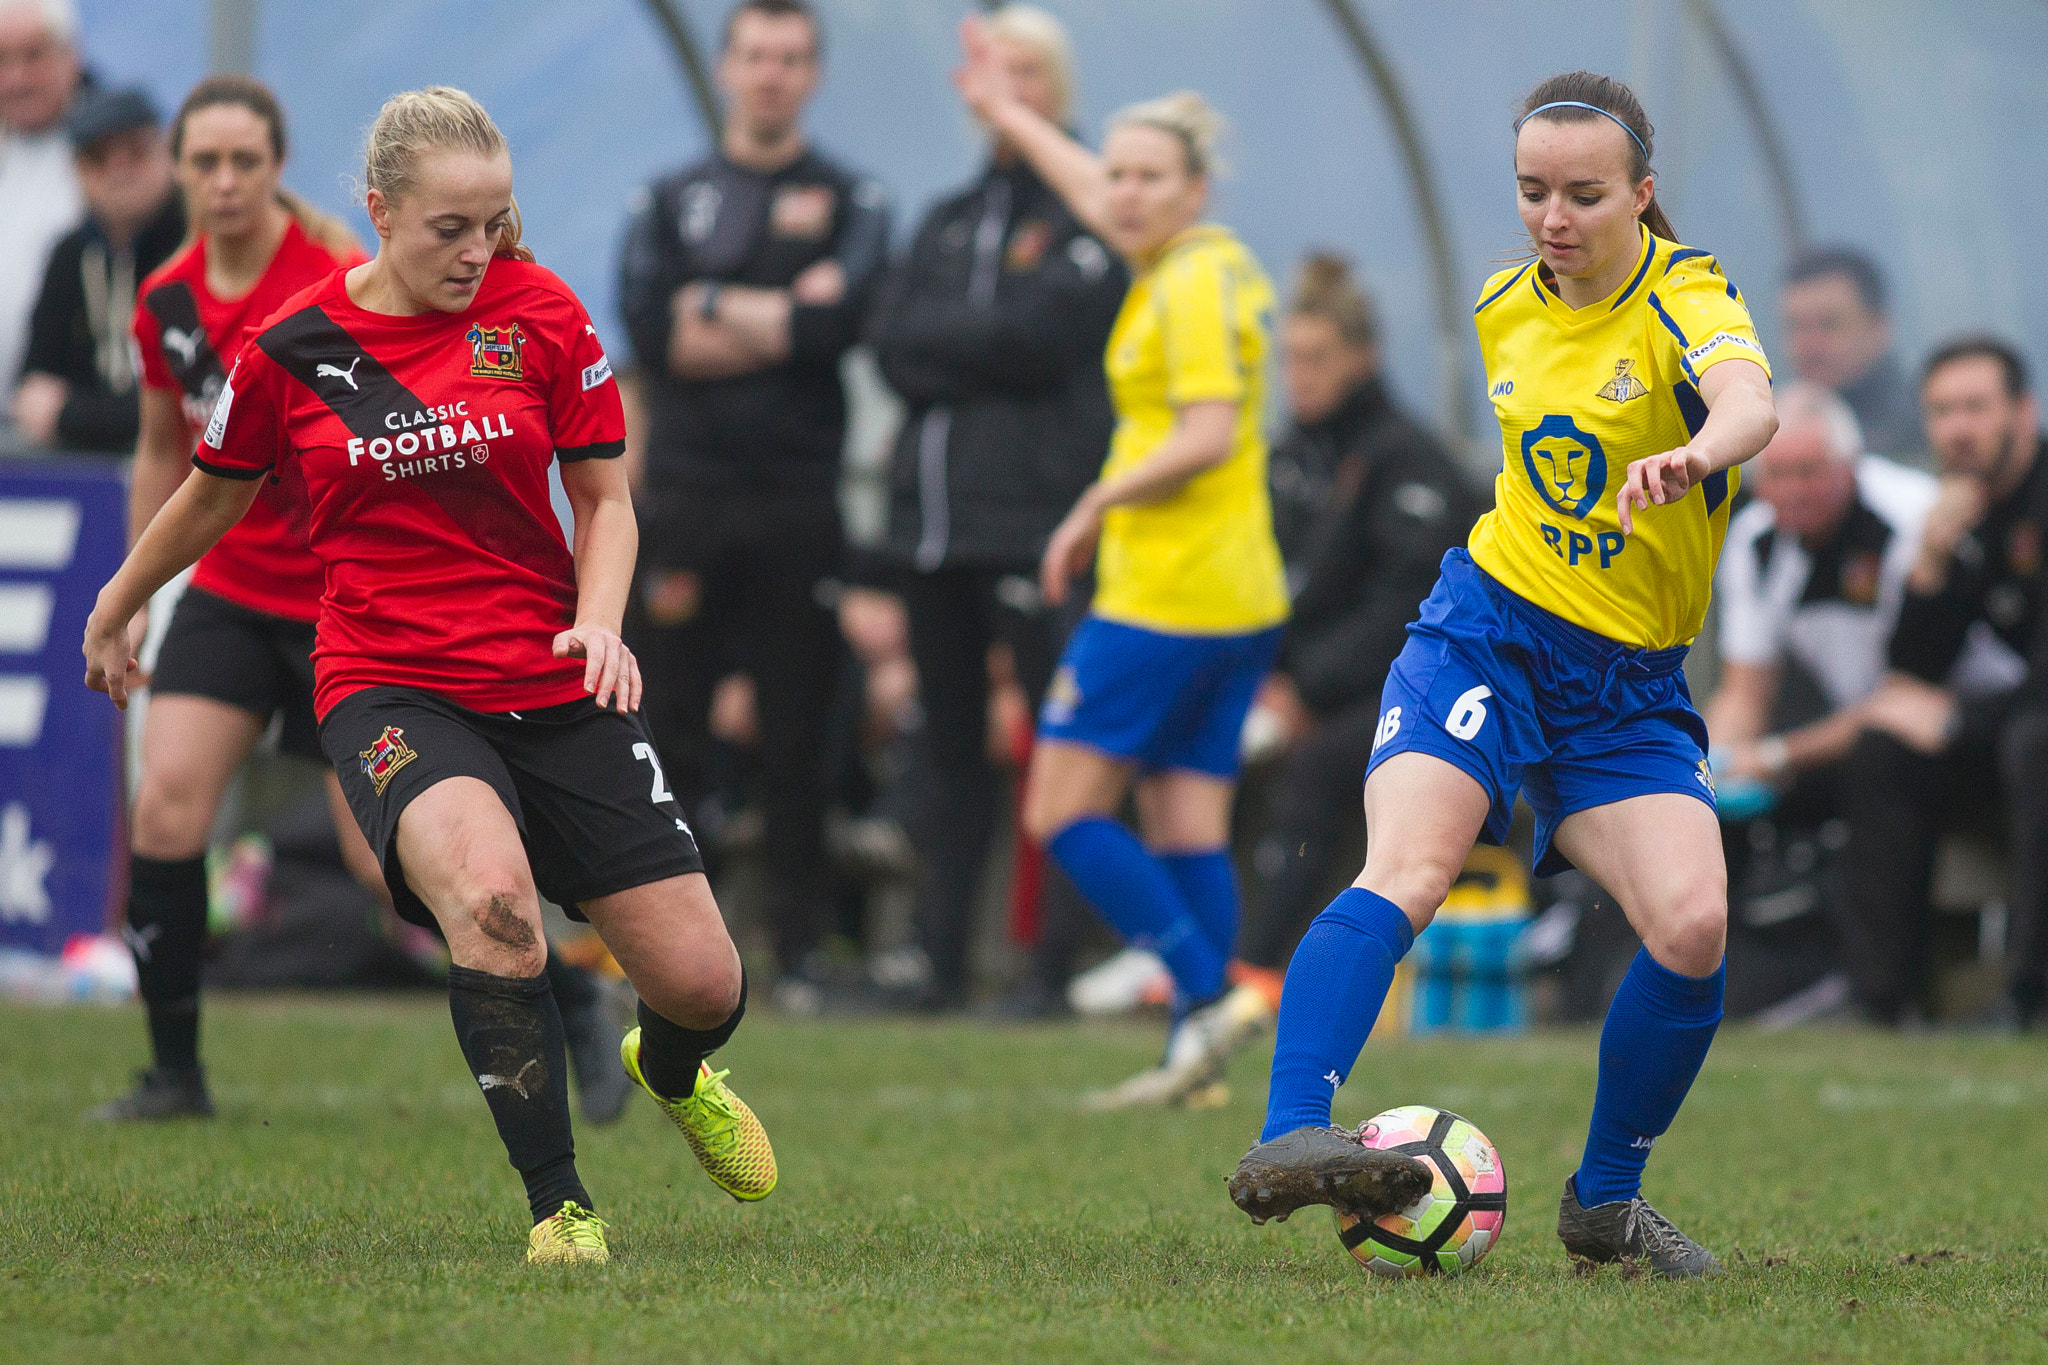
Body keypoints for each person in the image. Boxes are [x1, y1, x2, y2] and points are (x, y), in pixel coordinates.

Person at [84, 87, 775, 1266]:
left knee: (704, 983)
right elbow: (210, 489)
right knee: (494, 908)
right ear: (380, 213)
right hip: (389, 683)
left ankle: (665, 1066)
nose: (476, 251)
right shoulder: (292, 347)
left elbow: (605, 502)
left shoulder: (543, 312)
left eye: (494, 223)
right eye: (448, 227)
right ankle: (560, 1209)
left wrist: (599, 625)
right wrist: (120, 596)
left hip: (556, 677)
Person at [1224, 72, 1778, 1279]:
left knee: (1690, 926)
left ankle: (1604, 1206)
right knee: (1409, 866)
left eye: (1583, 194)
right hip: (1484, 633)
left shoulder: (1685, 293)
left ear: (1641, 194)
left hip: (1625, 688)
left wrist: (1694, 453)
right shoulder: (1499, 303)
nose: (1552, 218)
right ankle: (1286, 1140)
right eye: (1531, 192)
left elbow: (1749, 401)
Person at [955, 20, 1289, 1106]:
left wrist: (1091, 503)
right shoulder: (1207, 259)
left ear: (1194, 189)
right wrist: (1011, 115)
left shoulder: (1184, 284)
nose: (1124, 193)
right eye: (1119, 174)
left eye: (1151, 177)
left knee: (1060, 811)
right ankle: (1199, 1059)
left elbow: (1204, 428)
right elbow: (1089, 189)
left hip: (1166, 592)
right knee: (1184, 817)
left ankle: (1210, 988)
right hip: (1236, 592)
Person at [616, 0, 888, 1010]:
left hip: (797, 503)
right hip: (684, 498)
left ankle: (800, 951)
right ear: (728, 68)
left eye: (788, 57)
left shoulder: (851, 196)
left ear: (809, 74)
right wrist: (777, 311)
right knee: (667, 728)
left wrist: (715, 303)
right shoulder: (669, 196)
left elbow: (837, 327)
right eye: (755, 56)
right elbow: (655, 330)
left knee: (798, 735)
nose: (770, 74)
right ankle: (669, 953)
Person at [867, 3, 1126, 1015]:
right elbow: (889, 344)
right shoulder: (943, 219)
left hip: (1035, 528)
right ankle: (934, 960)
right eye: (994, 69)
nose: (1004, 88)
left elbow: (1047, 336)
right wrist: (974, 344)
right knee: (942, 749)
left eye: (1026, 71)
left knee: (1056, 747)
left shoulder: (1092, 212)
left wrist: (957, 346)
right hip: (934, 536)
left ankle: (1046, 966)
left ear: (1056, 94)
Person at [1230, 252, 1479, 1008]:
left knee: (1317, 764)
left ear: (1362, 358)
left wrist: (1303, 688)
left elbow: (1405, 610)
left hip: (1421, 686)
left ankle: (1256, 970)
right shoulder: (1293, 455)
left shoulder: (1407, 459)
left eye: (1315, 358)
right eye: (1289, 360)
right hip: (1307, 683)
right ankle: (1189, 960)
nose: (1297, 376)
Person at [1837, 338, 2048, 1029]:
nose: (1958, 427)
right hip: (2017, 727)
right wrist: (1930, 561)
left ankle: (2027, 993)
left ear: (2024, 411)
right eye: (1942, 410)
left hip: (2029, 732)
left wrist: (1958, 720)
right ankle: (1878, 999)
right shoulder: (1965, 510)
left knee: (2034, 742)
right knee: (1885, 748)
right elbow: (1913, 674)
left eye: (1976, 407)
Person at [1706, 383, 1934, 813]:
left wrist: (1773, 757)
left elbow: (1905, 695)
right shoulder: (1754, 538)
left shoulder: (1910, 518)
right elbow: (1745, 690)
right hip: (1850, 722)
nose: (1793, 491)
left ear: (1849, 466)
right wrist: (1712, 764)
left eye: (1809, 471)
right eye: (1776, 474)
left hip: (1942, 713)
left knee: (1879, 759)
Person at [13, 85, 183, 452]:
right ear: (75, 169)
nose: (118, 171)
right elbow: (31, 385)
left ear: (167, 152)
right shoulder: (70, 254)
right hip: (83, 474)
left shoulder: (197, 247)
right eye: (97, 157)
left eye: (135, 153)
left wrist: (70, 414)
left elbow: (195, 401)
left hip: (187, 470)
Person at [0, 0, 83, 415]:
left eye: (33, 57)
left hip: (62, 441)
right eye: (2, 60)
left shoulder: (113, 158)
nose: (16, 80)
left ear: (71, 57)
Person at [1782, 246, 1923, 463]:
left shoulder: (1924, 421)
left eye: (1828, 324)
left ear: (1878, 326)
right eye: (1795, 326)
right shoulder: (1777, 417)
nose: (1808, 344)